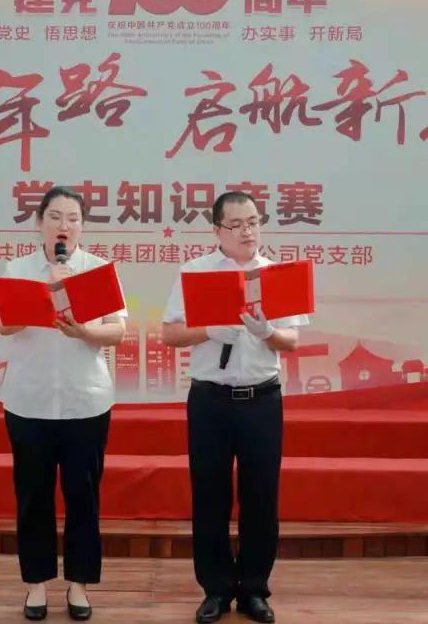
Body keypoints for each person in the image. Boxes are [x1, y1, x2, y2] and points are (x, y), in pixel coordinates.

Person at [161, 191, 309, 624]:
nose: (248, 231)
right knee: (210, 497)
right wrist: (209, 331)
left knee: (261, 497)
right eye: (237, 224)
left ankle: (254, 590)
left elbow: (292, 341)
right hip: (210, 401)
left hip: (261, 400)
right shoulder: (196, 272)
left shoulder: (276, 274)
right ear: (217, 230)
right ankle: (216, 590)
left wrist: (266, 333)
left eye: (254, 222)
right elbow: (170, 334)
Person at [0, 186, 127, 621]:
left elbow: (117, 332)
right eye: (54, 217)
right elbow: (4, 325)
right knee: (33, 494)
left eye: (72, 219)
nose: (63, 226)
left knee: (83, 495)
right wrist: (45, 287)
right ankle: (36, 584)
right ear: (39, 223)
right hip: (28, 401)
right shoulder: (18, 269)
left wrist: (84, 331)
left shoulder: (98, 270)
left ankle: (79, 585)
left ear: (82, 226)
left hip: (84, 402)